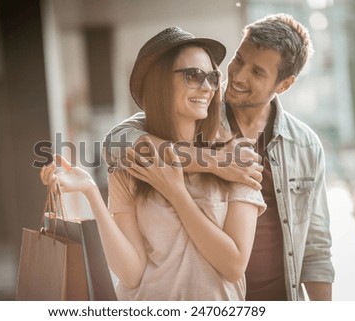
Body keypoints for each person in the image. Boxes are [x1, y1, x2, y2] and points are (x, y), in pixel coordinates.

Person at [103, 14, 335, 301]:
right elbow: (117, 141)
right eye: (238, 60)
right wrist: (215, 162)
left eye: (257, 72)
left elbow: (317, 248)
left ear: (284, 84)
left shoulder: (305, 146)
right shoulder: (198, 116)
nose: (237, 76)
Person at [41, 27, 266, 300]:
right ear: (159, 82)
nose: (207, 87)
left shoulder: (238, 160)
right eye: (193, 75)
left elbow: (233, 266)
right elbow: (131, 273)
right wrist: (91, 193)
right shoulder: (130, 167)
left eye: (213, 77)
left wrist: (176, 193)